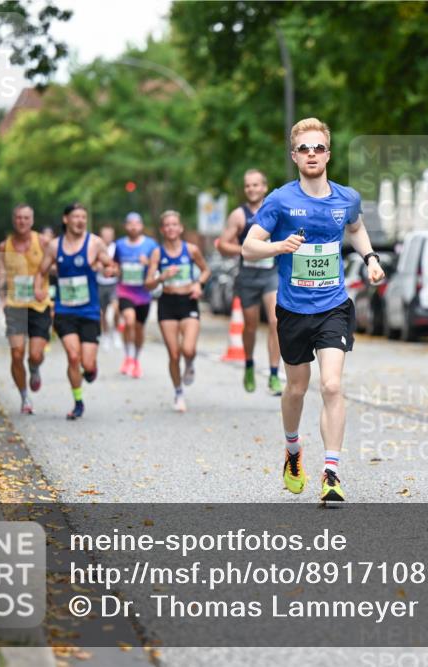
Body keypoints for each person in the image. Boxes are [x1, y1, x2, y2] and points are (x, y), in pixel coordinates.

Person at [242, 117, 385, 503]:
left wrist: (370, 257)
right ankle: (292, 450)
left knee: (333, 385)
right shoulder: (280, 200)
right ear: (294, 156)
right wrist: (278, 246)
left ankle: (332, 473)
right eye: (304, 148)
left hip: (333, 305)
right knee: (296, 388)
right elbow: (248, 247)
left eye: (318, 147)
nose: (311, 154)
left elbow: (354, 228)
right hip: (292, 308)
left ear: (328, 154)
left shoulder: (346, 197)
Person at [34, 203, 114, 420]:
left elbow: (111, 265)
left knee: (87, 364)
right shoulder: (54, 246)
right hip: (64, 310)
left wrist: (109, 269)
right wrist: (37, 290)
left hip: (89, 312)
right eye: (76, 217)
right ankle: (78, 402)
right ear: (66, 219)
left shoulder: (95, 243)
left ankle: (91, 369)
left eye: (83, 217)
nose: (80, 221)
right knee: (73, 356)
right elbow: (41, 271)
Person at [218, 169, 283, 395]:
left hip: (271, 274)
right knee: (251, 325)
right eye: (248, 186)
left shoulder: (275, 210)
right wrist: (246, 250)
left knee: (276, 322)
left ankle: (274, 374)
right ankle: (248, 365)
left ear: (264, 187)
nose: (252, 189)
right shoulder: (239, 215)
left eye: (256, 185)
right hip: (247, 276)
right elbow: (222, 244)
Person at [144, 211, 210, 413]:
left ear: (180, 228)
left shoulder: (191, 250)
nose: (171, 228)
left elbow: (206, 270)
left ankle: (189, 364)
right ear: (163, 230)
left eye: (175, 224)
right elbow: (147, 284)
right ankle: (178, 391)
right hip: (167, 303)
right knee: (173, 354)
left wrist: (199, 284)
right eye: (167, 225)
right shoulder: (157, 253)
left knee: (188, 349)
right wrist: (161, 277)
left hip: (188, 301)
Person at [0, 204, 52, 415]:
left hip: (39, 305)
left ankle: (34, 368)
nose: (22, 221)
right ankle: (24, 396)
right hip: (15, 306)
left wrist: (44, 281)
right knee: (17, 354)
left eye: (26, 218)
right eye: (18, 218)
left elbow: (54, 266)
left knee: (35, 354)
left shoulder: (43, 242)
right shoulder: (3, 246)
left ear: (32, 220)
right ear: (13, 220)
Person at [113, 212, 158, 378]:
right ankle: (128, 356)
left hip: (144, 294)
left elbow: (157, 265)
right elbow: (115, 264)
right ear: (126, 226)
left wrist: (148, 264)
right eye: (130, 223)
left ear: (141, 226)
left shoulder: (151, 245)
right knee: (129, 321)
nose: (133, 226)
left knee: (139, 329)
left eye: (136, 223)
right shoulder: (119, 245)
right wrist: (115, 271)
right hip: (125, 291)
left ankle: (136, 359)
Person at [96, 223, 120, 351]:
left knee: (115, 309)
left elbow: (120, 264)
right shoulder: (96, 248)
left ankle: (116, 331)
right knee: (102, 312)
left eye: (109, 235)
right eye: (105, 235)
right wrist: (99, 268)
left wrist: (115, 270)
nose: (107, 237)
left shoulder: (117, 248)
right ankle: (105, 335)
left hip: (114, 283)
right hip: (100, 283)